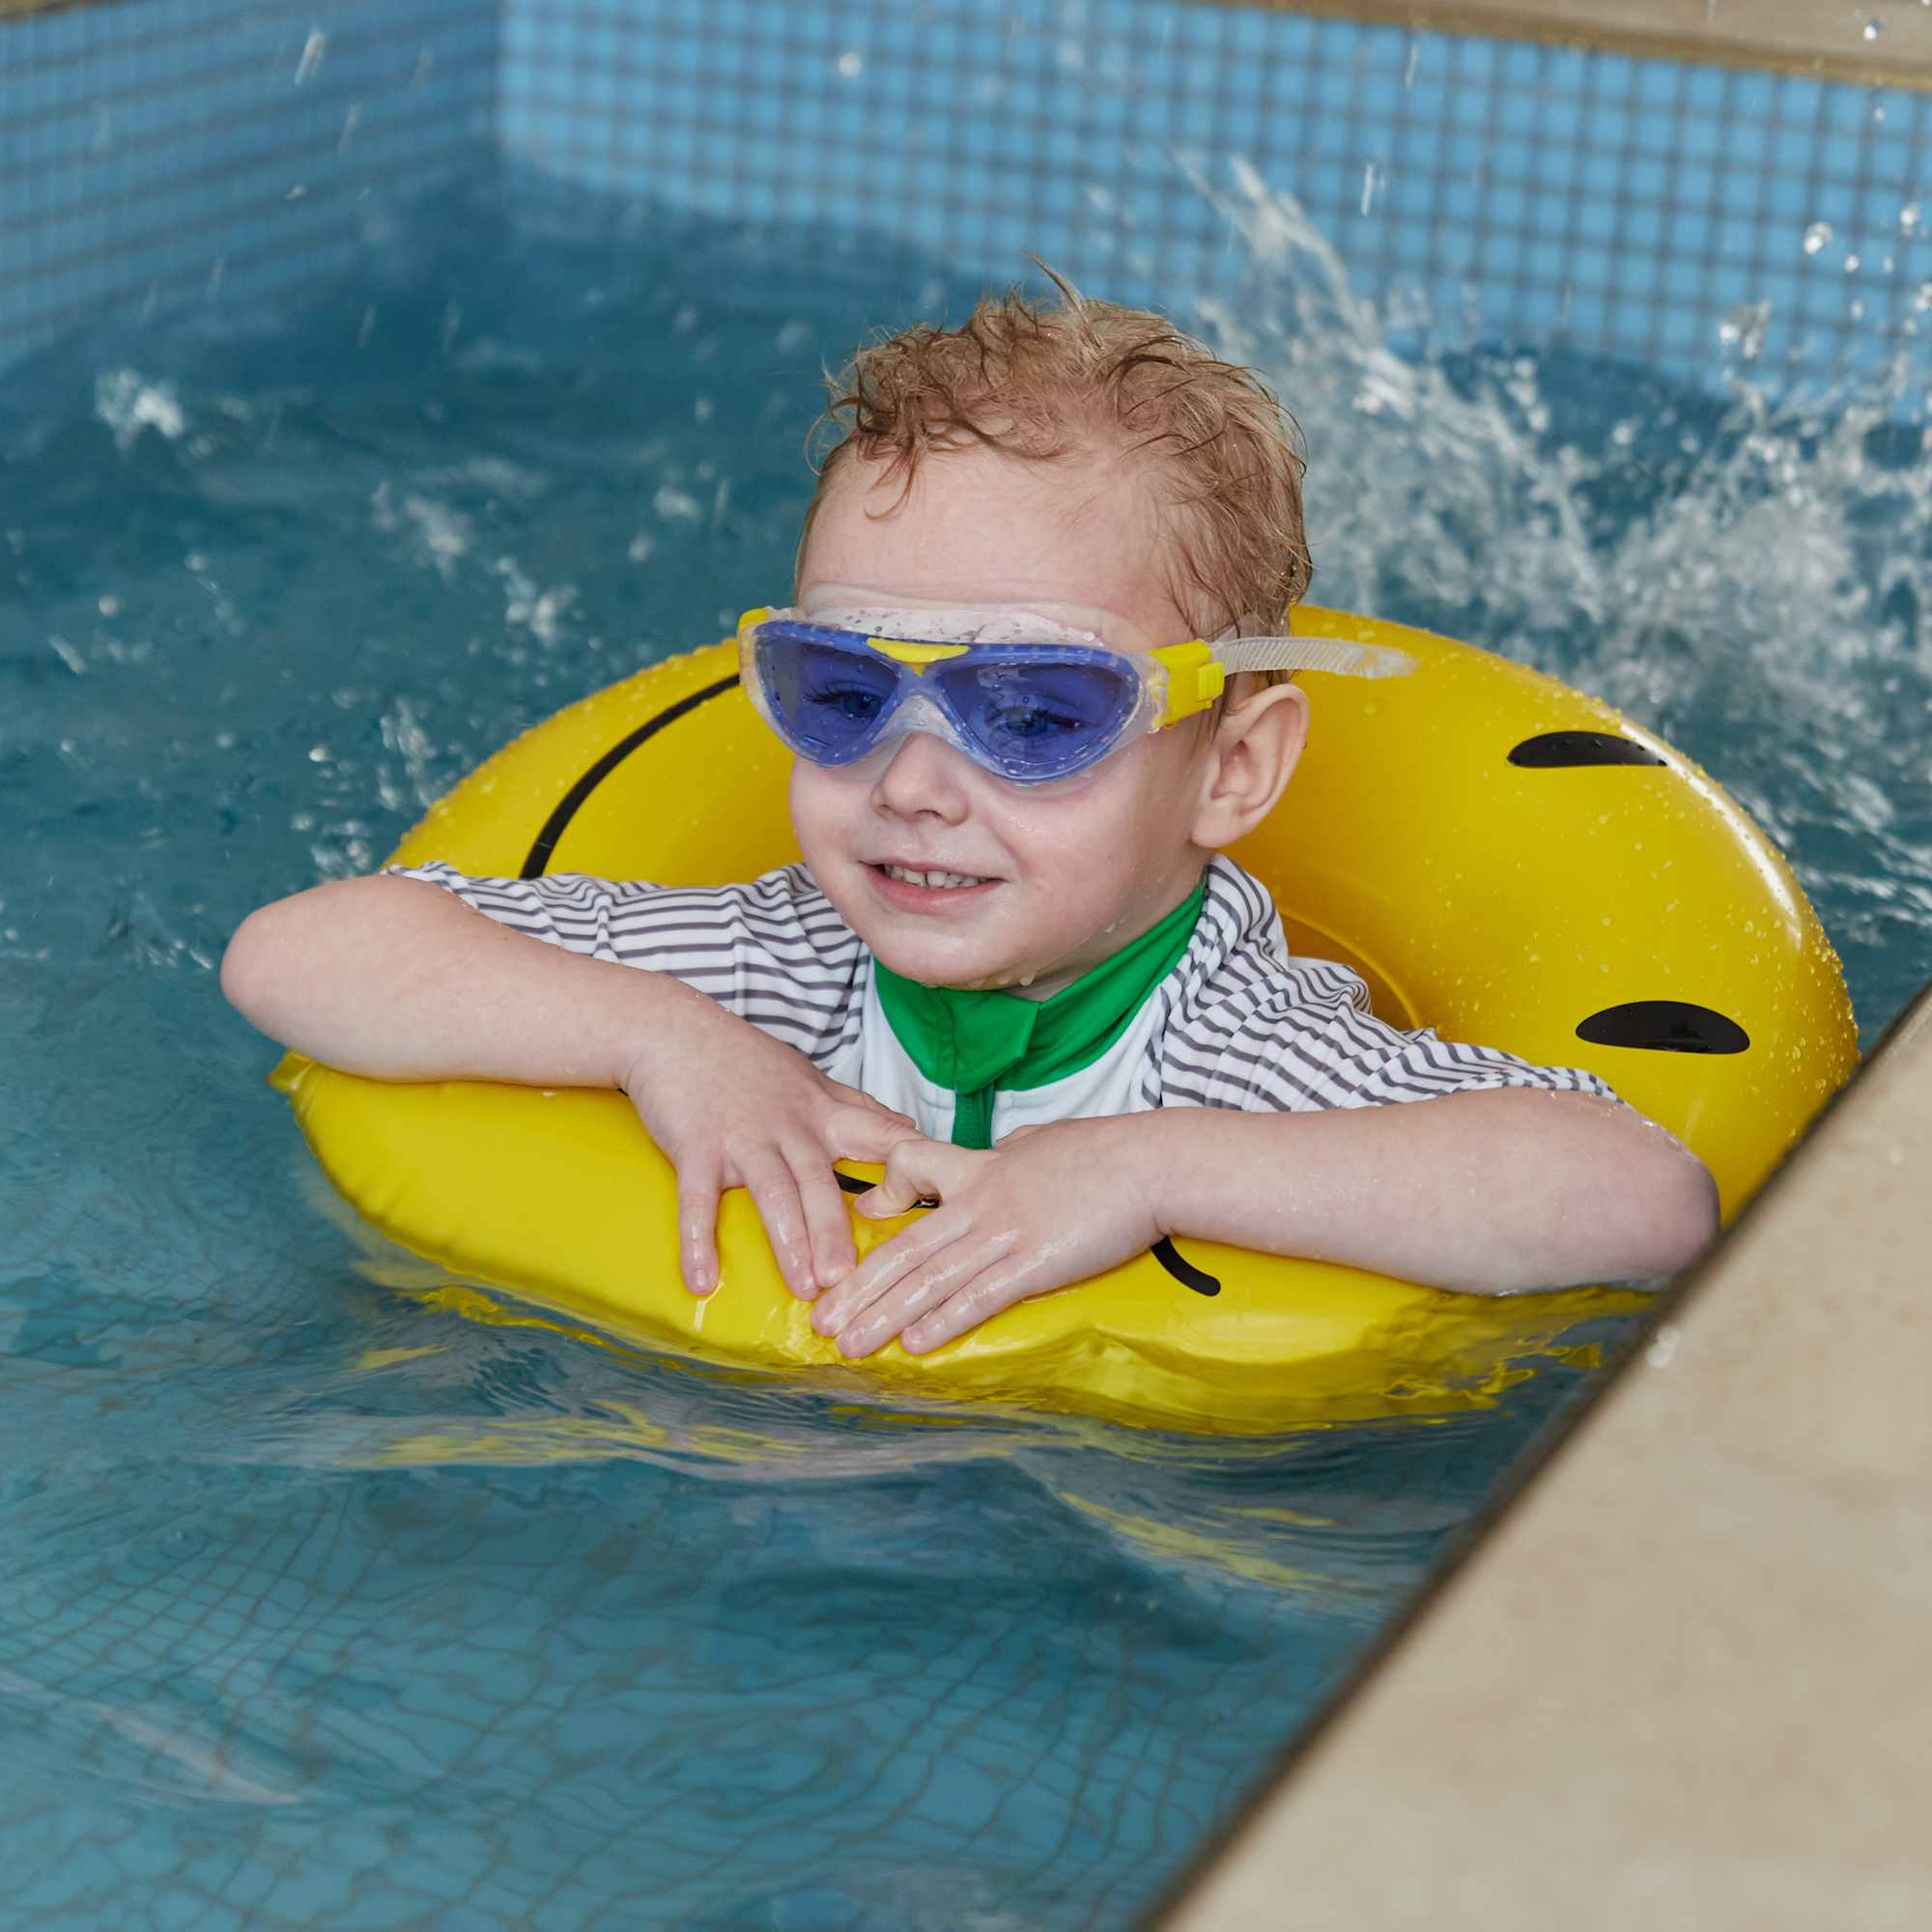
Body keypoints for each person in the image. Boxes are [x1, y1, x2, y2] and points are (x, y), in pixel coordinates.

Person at [222, 286, 1718, 1360]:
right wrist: (662, 1040)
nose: (912, 782)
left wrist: (1150, 1168)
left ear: (1230, 773)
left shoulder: (1237, 1050)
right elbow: (296, 954)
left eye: (1035, 710)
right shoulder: (778, 964)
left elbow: (1645, 1200)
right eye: (839, 686)